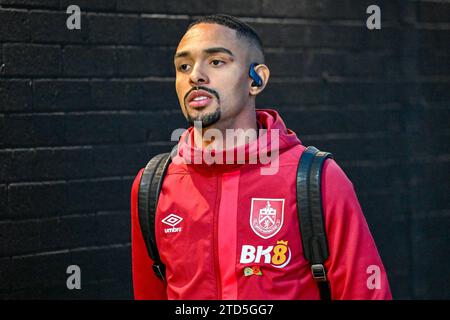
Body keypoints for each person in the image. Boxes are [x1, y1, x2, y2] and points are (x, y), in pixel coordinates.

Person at [130, 14, 392, 300]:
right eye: (183, 66)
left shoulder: (317, 179)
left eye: (216, 61)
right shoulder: (152, 186)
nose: (195, 75)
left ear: (256, 79)